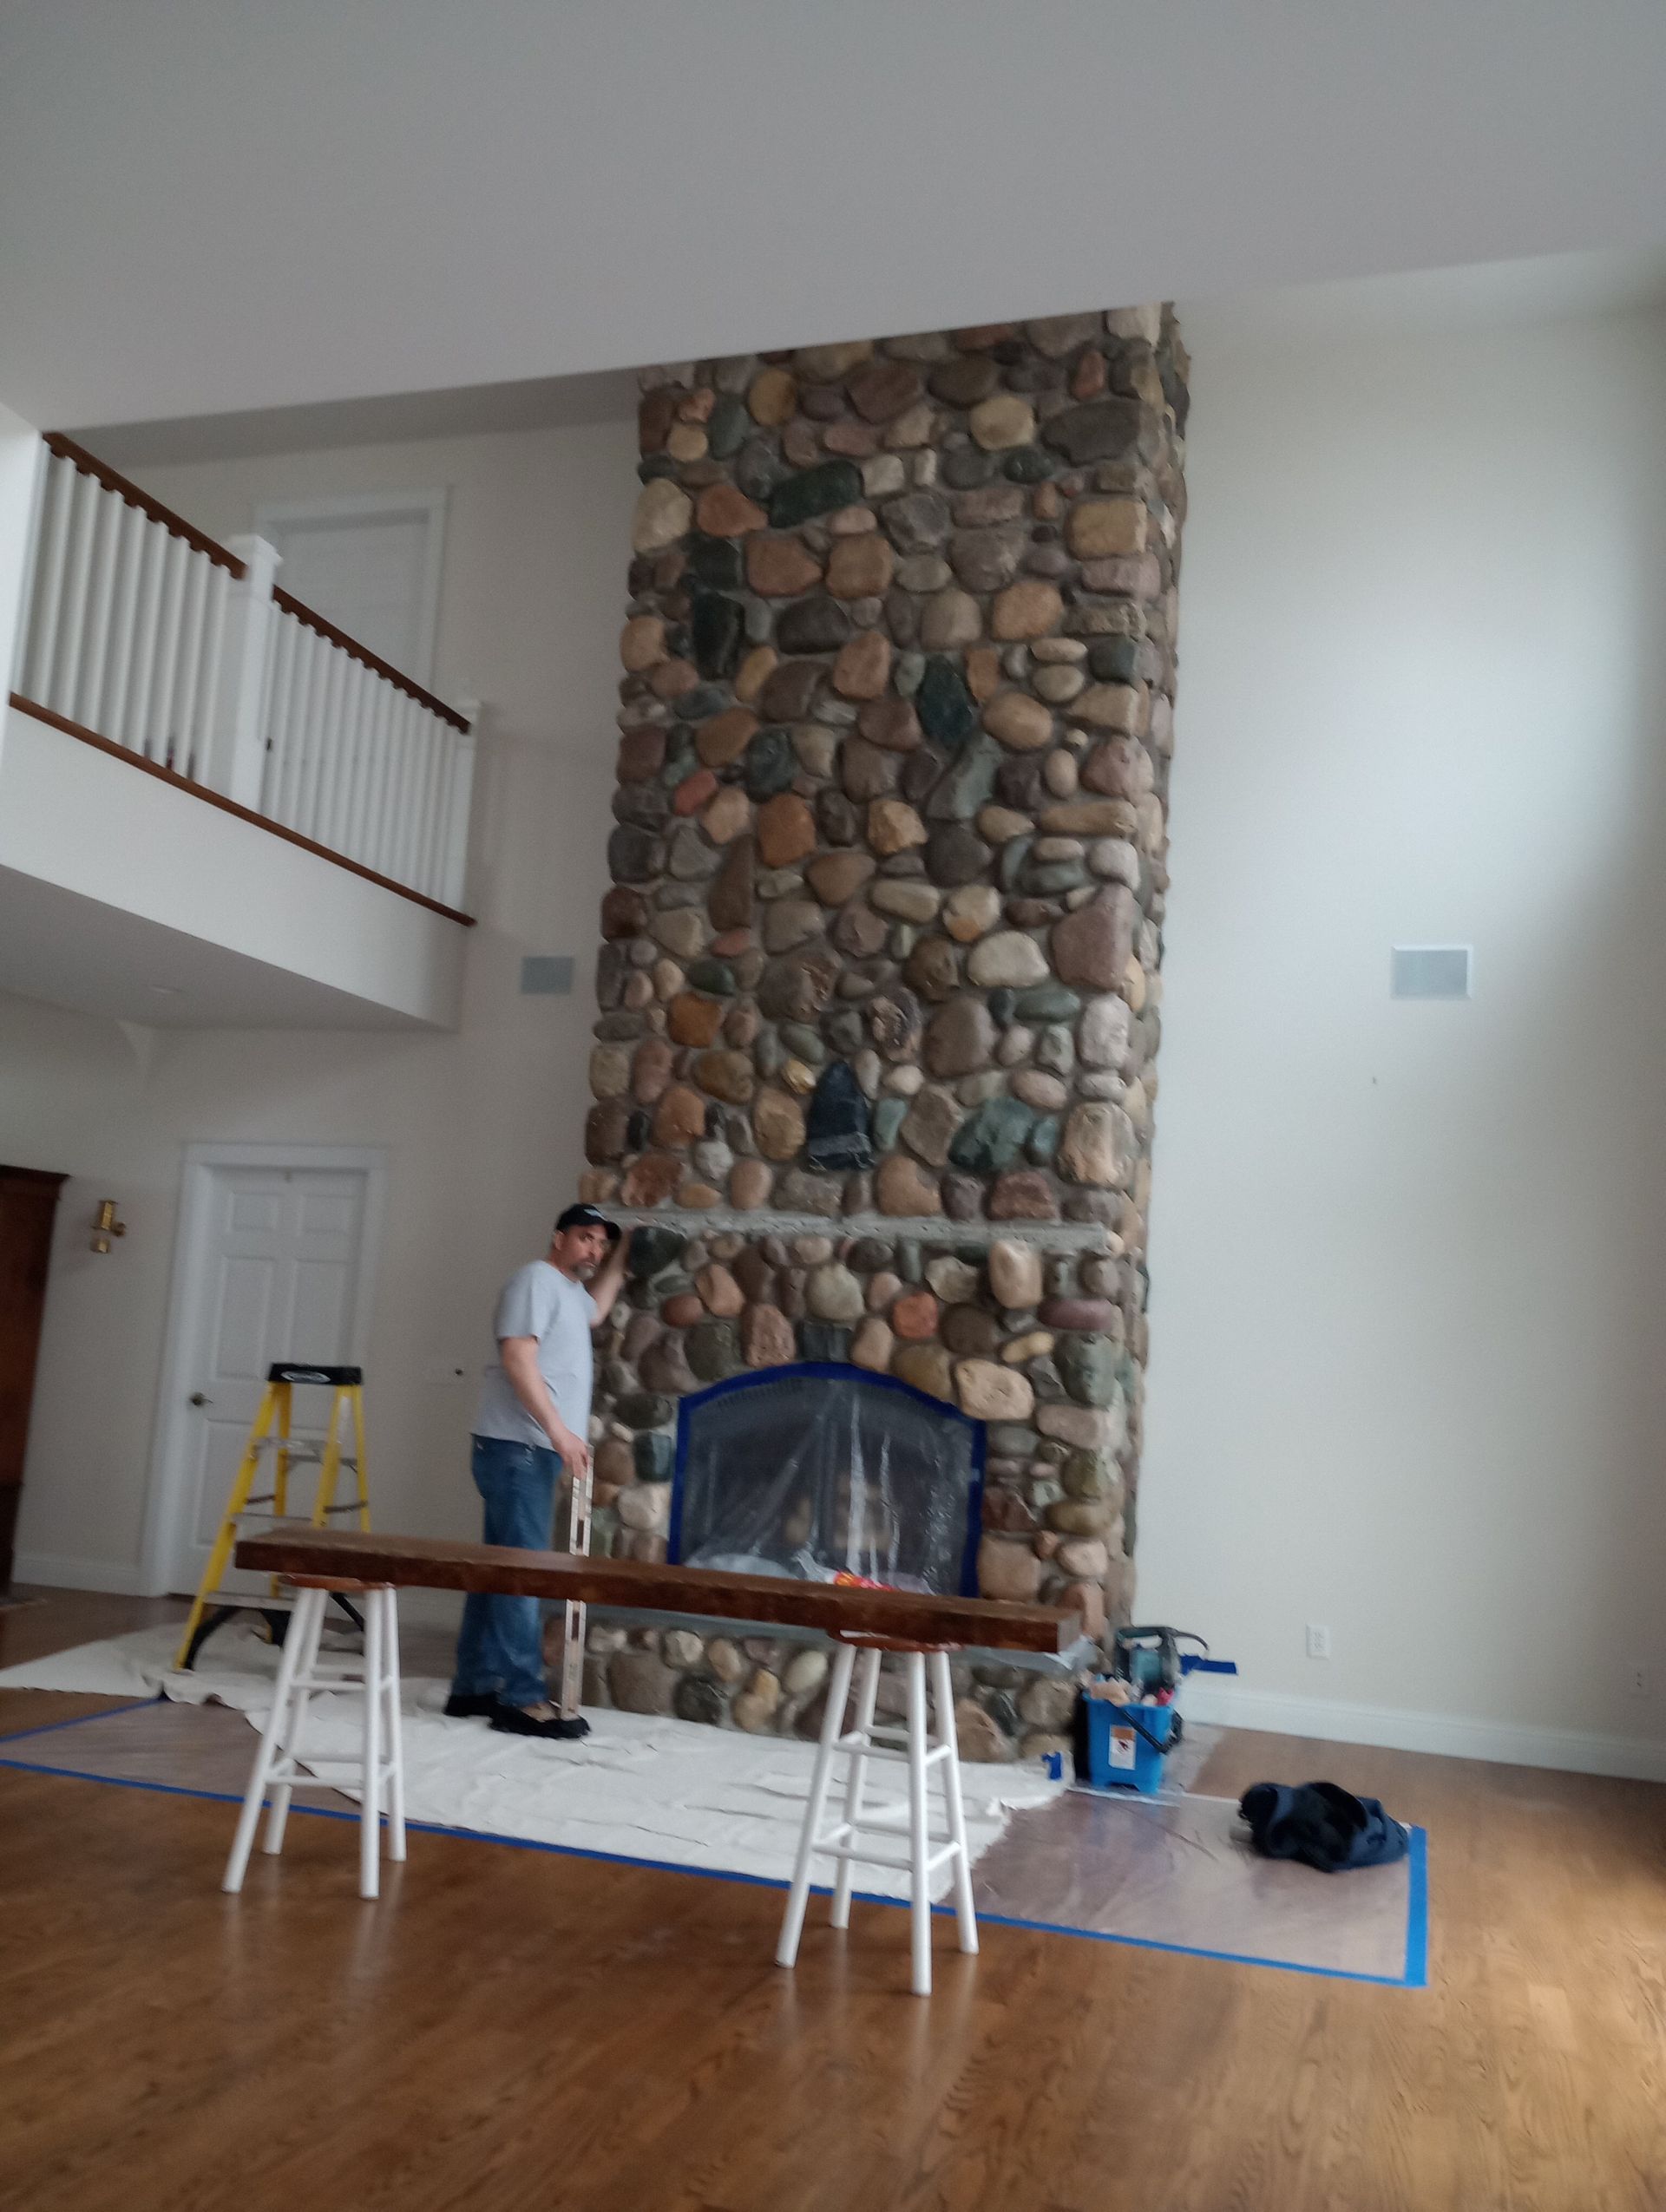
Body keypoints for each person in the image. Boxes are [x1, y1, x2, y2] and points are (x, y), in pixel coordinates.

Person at [446, 1201, 629, 1738]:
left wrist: (625, 1253)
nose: (593, 1250)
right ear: (558, 1237)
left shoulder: (570, 1293)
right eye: (586, 1238)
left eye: (600, 1242)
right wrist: (558, 1432)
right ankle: (521, 1699)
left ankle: (473, 1687)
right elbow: (517, 1358)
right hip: (518, 1449)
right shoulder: (533, 1280)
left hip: (526, 1449)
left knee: (498, 1571)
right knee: (521, 1574)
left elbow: (597, 1310)